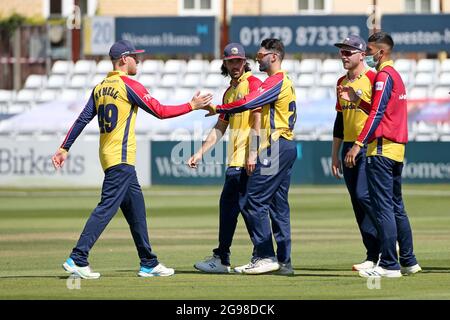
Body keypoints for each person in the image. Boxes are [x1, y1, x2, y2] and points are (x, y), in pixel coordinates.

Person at [51, 40, 212, 279]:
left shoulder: (100, 87)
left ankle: (148, 262)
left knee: (137, 210)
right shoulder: (129, 85)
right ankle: (78, 257)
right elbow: (160, 111)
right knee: (106, 208)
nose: (139, 61)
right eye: (135, 57)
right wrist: (192, 105)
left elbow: (82, 119)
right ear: (124, 60)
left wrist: (65, 147)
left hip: (110, 156)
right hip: (121, 157)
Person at [206, 38, 297, 275]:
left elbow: (250, 103)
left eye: (260, 55)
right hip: (283, 145)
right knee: (277, 205)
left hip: (276, 145)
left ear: (273, 57)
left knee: (252, 200)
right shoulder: (279, 81)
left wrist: (219, 109)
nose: (257, 59)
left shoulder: (275, 81)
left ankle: (265, 256)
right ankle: (284, 262)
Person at [341, 32, 421, 278]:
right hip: (396, 148)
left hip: (382, 148)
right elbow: (384, 111)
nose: (367, 54)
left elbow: (376, 114)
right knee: (397, 207)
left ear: (381, 52)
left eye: (370, 50)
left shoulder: (384, 76)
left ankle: (388, 263)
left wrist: (357, 144)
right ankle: (408, 260)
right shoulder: (396, 76)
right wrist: (358, 100)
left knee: (383, 206)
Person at [187, 43, 262, 273]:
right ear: (225, 63)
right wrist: (200, 152)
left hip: (249, 159)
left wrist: (253, 152)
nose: (235, 65)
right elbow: (220, 126)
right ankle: (226, 257)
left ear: (245, 61)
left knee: (249, 209)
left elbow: (258, 120)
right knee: (231, 208)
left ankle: (261, 255)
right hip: (235, 160)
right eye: (231, 62)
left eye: (239, 61)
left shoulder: (254, 84)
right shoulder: (230, 91)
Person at [332, 35, 380, 271]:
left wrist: (358, 145)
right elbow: (340, 120)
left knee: (364, 196)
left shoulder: (372, 78)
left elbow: (378, 113)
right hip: (348, 147)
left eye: (348, 52)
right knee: (357, 203)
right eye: (342, 51)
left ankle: (389, 241)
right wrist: (334, 153)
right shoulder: (341, 81)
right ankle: (372, 255)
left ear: (362, 55)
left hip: (368, 146)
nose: (344, 55)